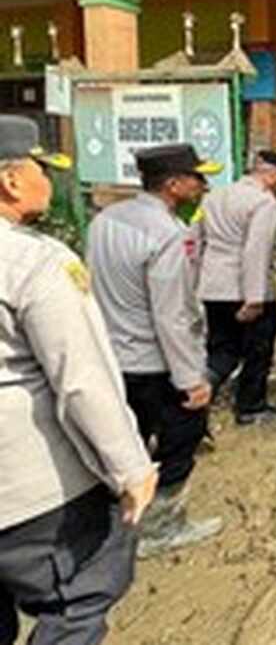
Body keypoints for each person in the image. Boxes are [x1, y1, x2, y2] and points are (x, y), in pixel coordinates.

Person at [0, 115, 157, 645]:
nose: (51, 179)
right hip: (32, 493)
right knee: (78, 601)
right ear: (12, 180)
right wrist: (130, 468)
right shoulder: (32, 261)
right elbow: (81, 378)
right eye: (43, 167)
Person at [88, 143, 224, 559]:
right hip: (155, 363)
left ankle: (115, 525)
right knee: (181, 440)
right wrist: (192, 380)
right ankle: (161, 527)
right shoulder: (167, 234)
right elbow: (172, 316)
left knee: (126, 443)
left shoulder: (106, 221)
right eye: (196, 178)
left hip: (113, 358)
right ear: (173, 185)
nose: (203, 185)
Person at [195, 150, 276, 425]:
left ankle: (194, 396)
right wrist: (255, 297)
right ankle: (250, 406)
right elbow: (255, 251)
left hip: (214, 286)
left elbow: (198, 242)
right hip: (245, 287)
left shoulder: (214, 197)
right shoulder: (264, 203)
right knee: (258, 349)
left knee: (221, 348)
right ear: (272, 175)